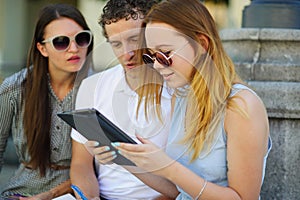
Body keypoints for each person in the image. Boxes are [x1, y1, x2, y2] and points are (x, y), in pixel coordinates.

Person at [111, 0, 272, 199]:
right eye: (151, 57)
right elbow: (181, 191)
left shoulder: (241, 105)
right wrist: (124, 158)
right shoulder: (182, 97)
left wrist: (168, 167)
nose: (158, 66)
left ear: (202, 44)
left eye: (165, 54)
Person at [70, 0, 178, 200]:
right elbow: (80, 164)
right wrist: (90, 198)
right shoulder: (92, 87)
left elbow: (186, 184)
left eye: (134, 39)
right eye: (117, 44)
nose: (126, 53)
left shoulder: (178, 89)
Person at [0, 3, 93, 199]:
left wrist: (51, 195)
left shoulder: (99, 89)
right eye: (61, 42)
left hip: (78, 192)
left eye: (81, 38)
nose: (74, 49)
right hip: (22, 190)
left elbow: (104, 167)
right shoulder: (14, 87)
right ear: (42, 48)